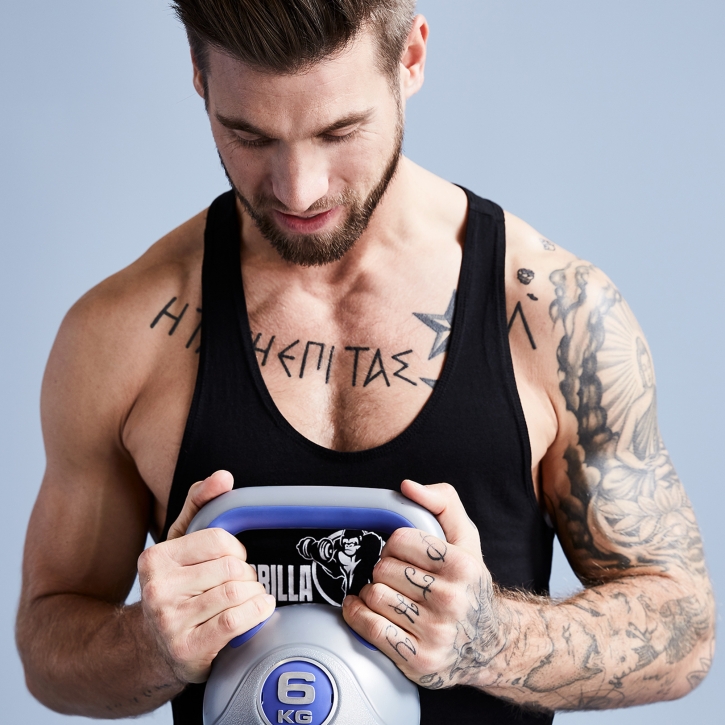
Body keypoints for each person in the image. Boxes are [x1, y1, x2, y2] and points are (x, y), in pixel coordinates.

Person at [16, 1, 714, 723]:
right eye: (248, 135)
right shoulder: (125, 331)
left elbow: (683, 630)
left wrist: (493, 641)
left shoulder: (551, 314)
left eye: (339, 132)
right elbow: (48, 648)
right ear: (198, 74)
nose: (298, 189)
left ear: (410, 58)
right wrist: (147, 647)